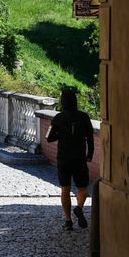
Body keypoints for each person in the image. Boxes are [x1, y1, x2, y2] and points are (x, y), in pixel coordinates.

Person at [46, 87, 94, 231]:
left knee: (65, 189)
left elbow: (48, 138)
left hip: (63, 159)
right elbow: (90, 138)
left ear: (63, 102)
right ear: (75, 101)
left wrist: (60, 134)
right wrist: (90, 154)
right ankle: (79, 207)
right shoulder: (84, 117)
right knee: (83, 188)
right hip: (79, 158)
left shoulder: (58, 118)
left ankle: (68, 221)